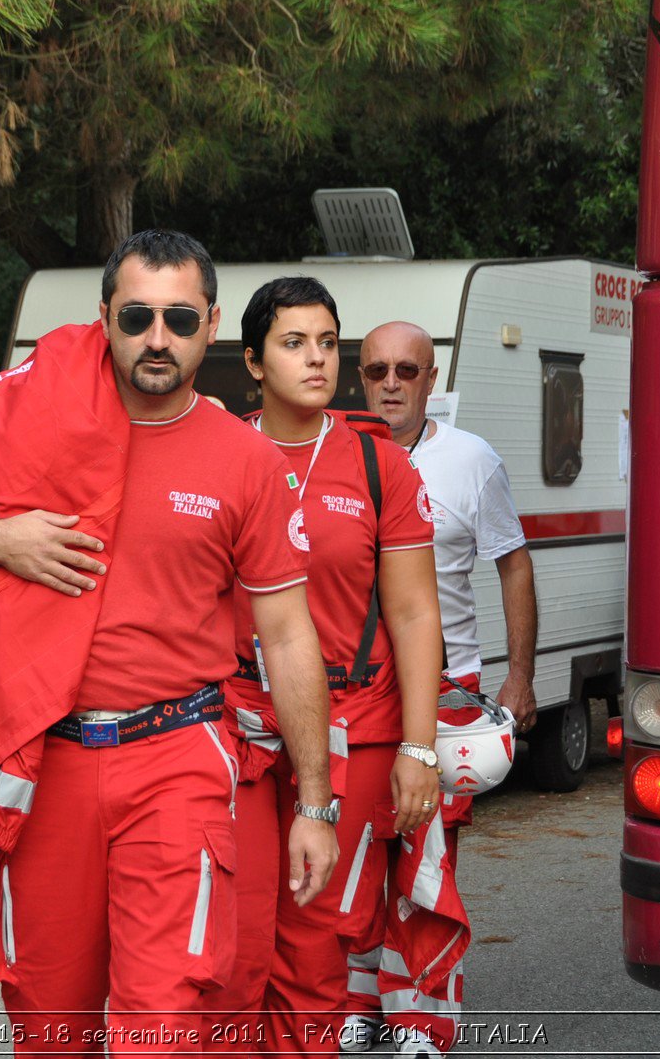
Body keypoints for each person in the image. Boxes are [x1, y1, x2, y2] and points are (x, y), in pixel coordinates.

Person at [0, 231, 340, 1054]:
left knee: (160, 1030)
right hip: (43, 764)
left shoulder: (246, 459)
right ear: (104, 319)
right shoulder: (34, 419)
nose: (156, 338)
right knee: (48, 1027)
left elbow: (288, 632)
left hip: (177, 761)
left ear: (212, 324)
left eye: (177, 317)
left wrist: (313, 802)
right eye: (136, 316)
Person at [204, 278, 449, 1057]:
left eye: (326, 342)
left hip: (356, 727)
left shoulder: (380, 466)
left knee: (318, 947)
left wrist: (419, 748)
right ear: (251, 360)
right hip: (236, 731)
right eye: (292, 342)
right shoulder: (217, 455)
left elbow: (413, 615)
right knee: (233, 944)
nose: (317, 359)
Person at [339, 321, 540, 1056]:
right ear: (359, 378)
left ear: (431, 378)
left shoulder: (470, 461)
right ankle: (362, 1003)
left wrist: (519, 674)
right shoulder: (338, 456)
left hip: (445, 693)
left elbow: (513, 564)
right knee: (355, 856)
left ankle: (423, 1018)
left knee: (425, 860)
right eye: (376, 370)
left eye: (406, 370)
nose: (390, 383)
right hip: (355, 693)